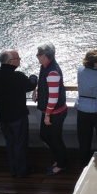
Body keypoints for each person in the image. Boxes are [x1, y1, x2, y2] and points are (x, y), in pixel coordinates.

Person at [0, 49, 38, 177]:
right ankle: (21, 171)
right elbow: (30, 85)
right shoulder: (17, 76)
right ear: (11, 62)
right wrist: (34, 76)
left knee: (10, 143)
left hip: (2, 117)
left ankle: (13, 169)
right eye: (18, 58)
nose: (20, 60)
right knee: (20, 144)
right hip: (17, 116)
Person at [34, 43, 69, 176]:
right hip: (50, 112)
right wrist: (36, 88)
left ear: (44, 56)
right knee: (45, 136)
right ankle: (60, 159)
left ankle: (62, 163)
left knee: (55, 139)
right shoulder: (45, 67)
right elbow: (43, 82)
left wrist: (47, 114)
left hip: (55, 113)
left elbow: (53, 97)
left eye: (38, 54)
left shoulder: (52, 71)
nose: (37, 57)